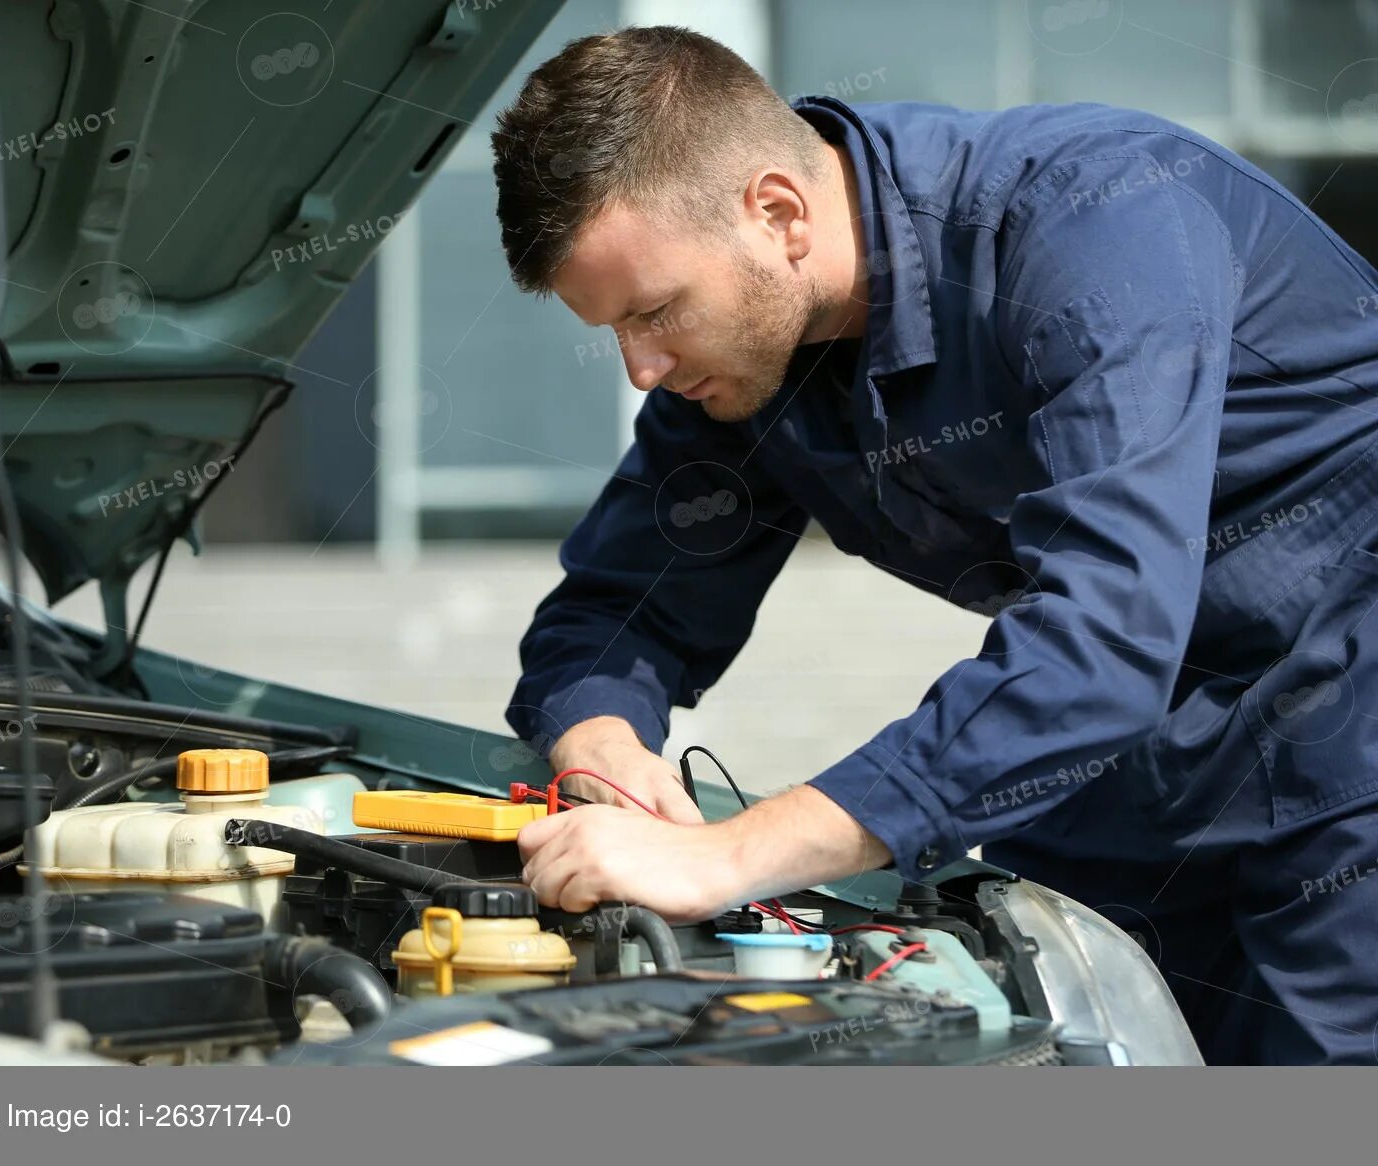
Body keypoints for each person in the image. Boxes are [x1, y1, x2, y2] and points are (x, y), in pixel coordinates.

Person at [490, 26, 1378, 1064]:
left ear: (775, 213)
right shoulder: (740, 356)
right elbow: (616, 608)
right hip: (1123, 764)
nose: (640, 369)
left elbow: (1100, 642)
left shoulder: (1096, 222)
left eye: (654, 313)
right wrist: (600, 744)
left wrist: (723, 856)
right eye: (612, 332)